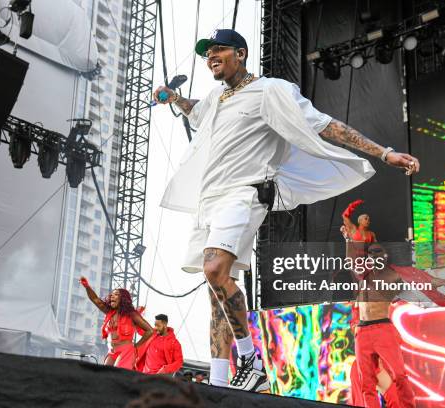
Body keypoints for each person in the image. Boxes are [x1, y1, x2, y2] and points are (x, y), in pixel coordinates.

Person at [153, 28, 420, 392]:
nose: (211, 57)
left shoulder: (271, 90)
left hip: (244, 193)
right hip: (209, 200)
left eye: (219, 50)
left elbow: (326, 126)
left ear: (242, 54)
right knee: (215, 287)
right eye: (207, 53)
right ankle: (216, 383)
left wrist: (383, 152)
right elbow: (197, 114)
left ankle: (249, 359)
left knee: (215, 269)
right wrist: (176, 99)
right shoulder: (217, 97)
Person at [346, 243, 445, 408]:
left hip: (381, 328)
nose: (374, 255)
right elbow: (351, 260)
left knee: (398, 377)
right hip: (363, 332)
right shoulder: (363, 276)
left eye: (378, 252)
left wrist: (443, 282)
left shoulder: (393, 277)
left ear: (385, 256)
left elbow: (421, 282)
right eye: (371, 253)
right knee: (367, 383)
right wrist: (348, 238)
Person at [79, 277, 153, 370]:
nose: (112, 296)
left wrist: (136, 346)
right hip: (112, 351)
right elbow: (95, 299)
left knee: (116, 375)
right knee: (104, 376)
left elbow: (150, 331)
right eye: (112, 294)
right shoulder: (109, 311)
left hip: (126, 351)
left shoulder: (132, 314)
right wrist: (87, 286)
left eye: (116, 294)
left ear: (123, 299)